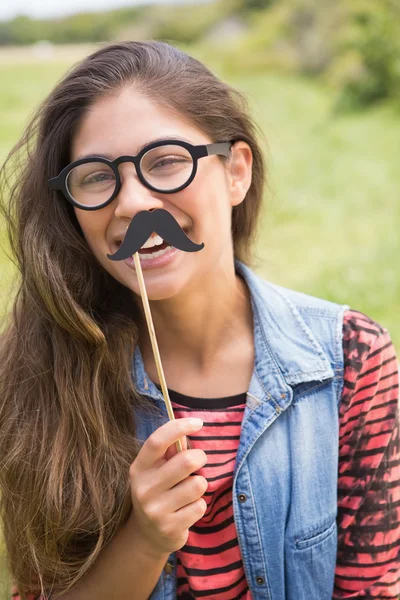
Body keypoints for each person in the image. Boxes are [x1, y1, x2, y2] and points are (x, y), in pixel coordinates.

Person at [0, 40, 399, 600]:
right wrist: (143, 540)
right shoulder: (41, 373)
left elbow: (371, 588)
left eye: (165, 161)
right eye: (95, 176)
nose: (133, 203)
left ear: (235, 172)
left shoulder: (353, 359)